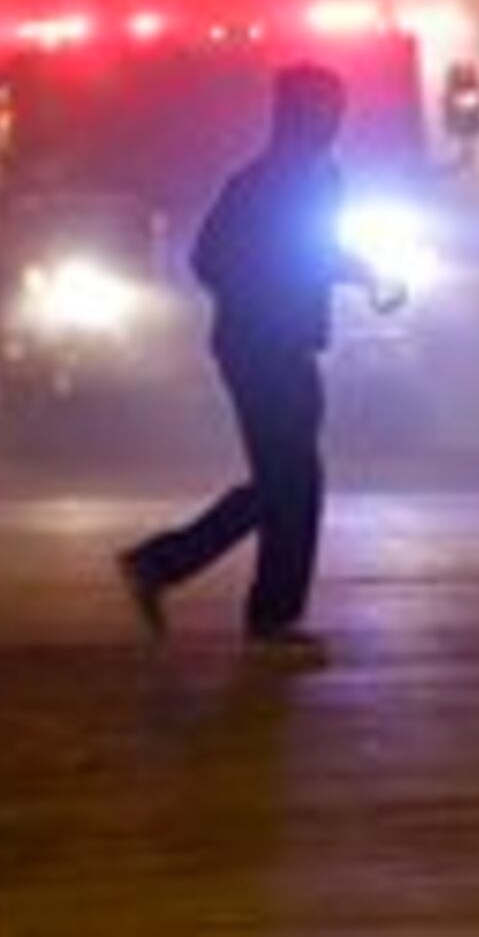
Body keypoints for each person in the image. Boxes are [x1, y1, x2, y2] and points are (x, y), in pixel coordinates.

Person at [116, 61, 386, 658]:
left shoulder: (321, 180)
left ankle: (199, 582)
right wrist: (267, 293)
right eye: (321, 112)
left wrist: (361, 273)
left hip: (289, 344)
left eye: (335, 112)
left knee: (289, 480)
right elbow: (208, 260)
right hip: (258, 347)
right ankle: (209, 587)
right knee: (290, 480)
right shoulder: (260, 184)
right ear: (292, 115)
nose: (331, 124)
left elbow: (317, 251)